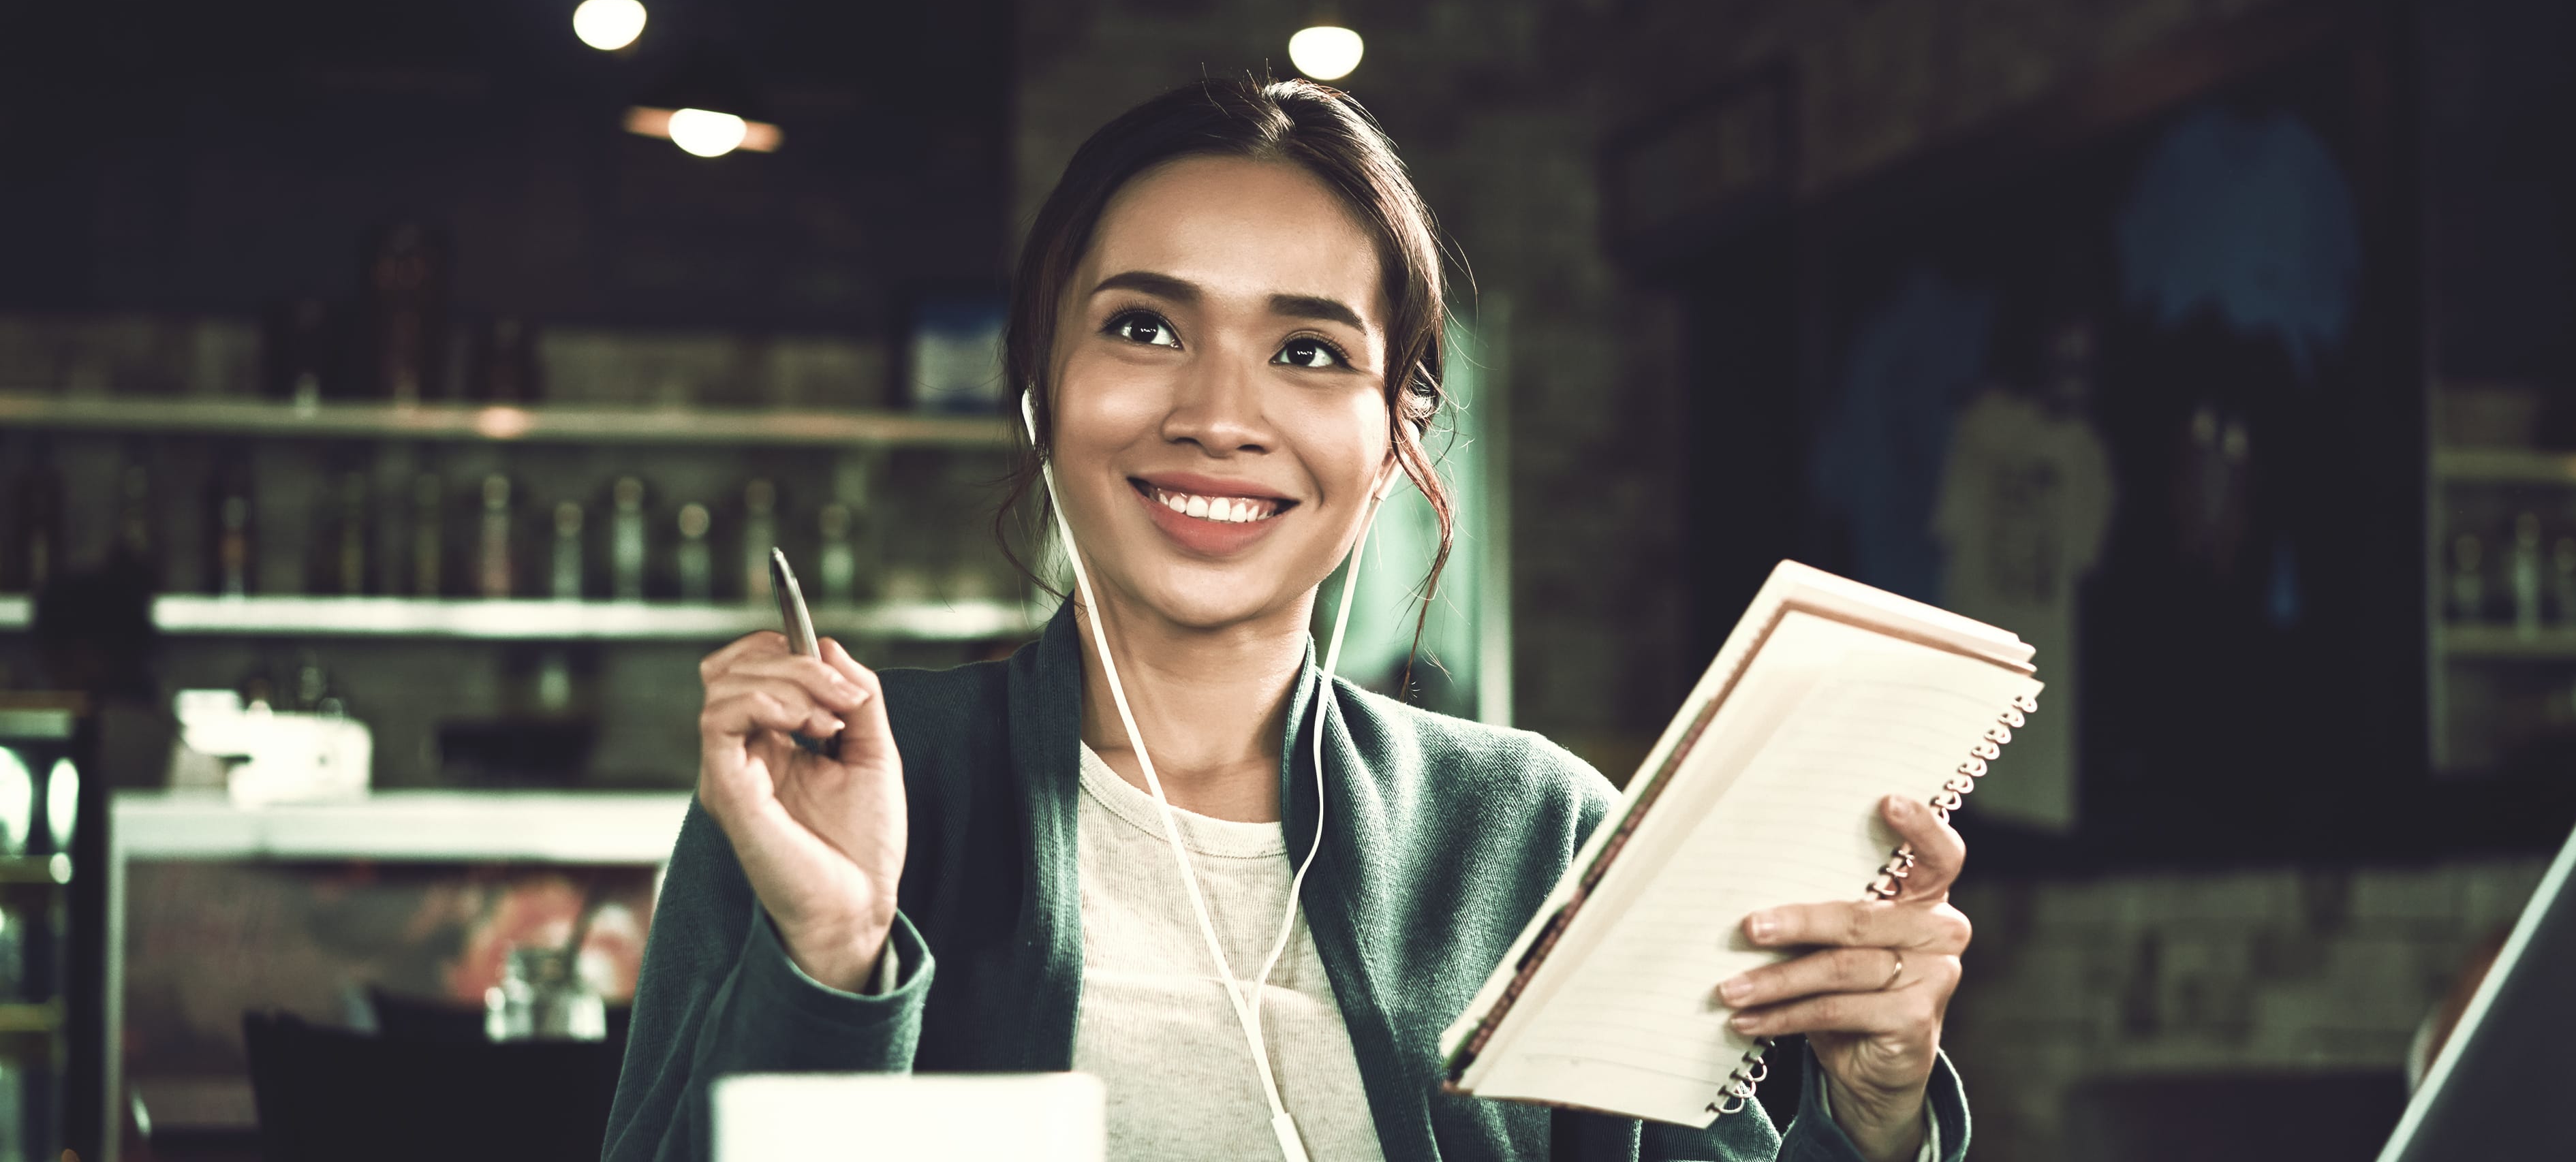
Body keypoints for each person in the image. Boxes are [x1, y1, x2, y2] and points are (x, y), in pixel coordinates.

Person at [603, 78, 1975, 1162]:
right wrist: (834, 959)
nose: (1217, 414)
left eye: (1308, 350)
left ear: (1392, 439)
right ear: (1042, 386)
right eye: (1143, 327)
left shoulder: (1539, 832)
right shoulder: (832, 793)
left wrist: (1872, 1119)